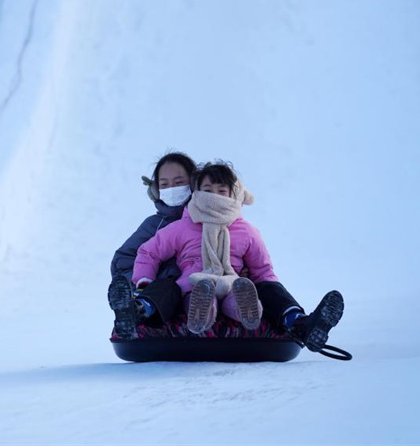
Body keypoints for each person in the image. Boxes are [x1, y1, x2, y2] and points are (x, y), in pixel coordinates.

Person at [130, 161, 345, 352]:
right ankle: (143, 309)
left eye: (221, 190)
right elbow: (149, 252)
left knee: (263, 288)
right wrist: (144, 282)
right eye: (207, 189)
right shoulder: (183, 227)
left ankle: (297, 322)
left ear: (232, 194)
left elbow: (263, 271)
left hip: (234, 283)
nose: (214, 195)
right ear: (196, 192)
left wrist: (271, 291)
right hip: (194, 284)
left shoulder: (246, 231)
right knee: (183, 292)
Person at [107, 151, 197, 339]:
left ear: (194, 184)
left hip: (202, 289)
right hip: (164, 294)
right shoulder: (153, 225)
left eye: (179, 182)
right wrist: (149, 279)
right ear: (156, 190)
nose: (172, 188)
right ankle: (136, 311)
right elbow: (123, 261)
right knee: (167, 288)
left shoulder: (211, 221)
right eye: (164, 185)